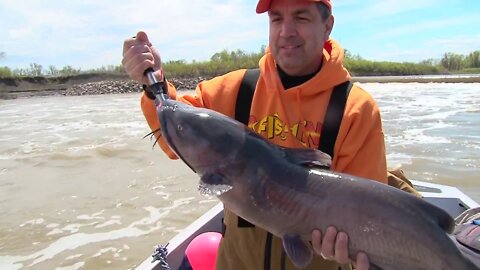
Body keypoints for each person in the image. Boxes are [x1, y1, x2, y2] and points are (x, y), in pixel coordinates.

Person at [122, 0, 388, 269]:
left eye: (301, 18)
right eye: (276, 19)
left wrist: (353, 245)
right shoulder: (237, 88)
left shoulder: (356, 110)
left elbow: (373, 217)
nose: (286, 31)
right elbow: (176, 134)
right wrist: (152, 84)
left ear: (327, 26)